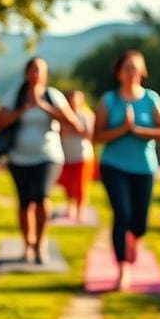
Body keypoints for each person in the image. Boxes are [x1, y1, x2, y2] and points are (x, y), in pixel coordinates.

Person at [93, 51, 160, 289]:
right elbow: (96, 136)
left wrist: (137, 130)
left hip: (144, 167)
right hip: (114, 166)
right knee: (122, 214)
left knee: (139, 223)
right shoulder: (109, 100)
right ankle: (122, 269)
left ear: (143, 72)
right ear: (118, 73)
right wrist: (121, 129)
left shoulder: (151, 99)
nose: (131, 72)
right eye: (127, 68)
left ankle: (134, 240)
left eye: (135, 68)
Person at [0, 57, 81, 263]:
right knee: (24, 203)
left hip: (48, 156)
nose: (35, 74)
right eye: (32, 70)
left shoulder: (53, 96)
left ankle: (41, 243)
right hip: (19, 158)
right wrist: (21, 111)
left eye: (39, 70)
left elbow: (72, 121)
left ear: (45, 74)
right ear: (26, 73)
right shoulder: (15, 97)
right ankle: (27, 243)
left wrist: (43, 107)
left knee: (41, 197)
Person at [57, 90, 95, 222]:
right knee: (67, 184)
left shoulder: (86, 115)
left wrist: (75, 129)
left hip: (82, 156)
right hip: (66, 156)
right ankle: (70, 208)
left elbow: (90, 134)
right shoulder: (62, 116)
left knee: (81, 185)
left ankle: (80, 211)